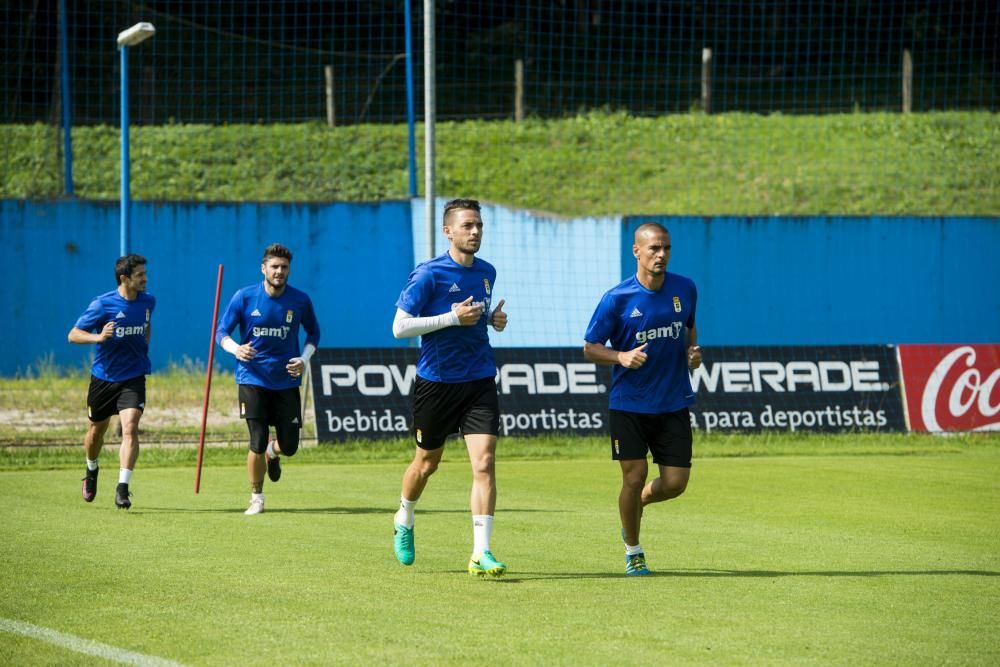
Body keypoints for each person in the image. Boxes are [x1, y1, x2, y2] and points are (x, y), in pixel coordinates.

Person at [391, 198, 510, 577]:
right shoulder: (428, 274)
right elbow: (399, 328)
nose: (475, 232)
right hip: (437, 384)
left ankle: (481, 551)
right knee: (427, 463)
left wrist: (492, 319)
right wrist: (451, 318)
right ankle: (405, 516)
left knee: (485, 462)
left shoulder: (487, 271)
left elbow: (475, 319)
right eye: (467, 226)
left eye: (478, 225)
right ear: (448, 231)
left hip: (479, 379)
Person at [583, 222, 702, 576]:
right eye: (653, 249)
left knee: (676, 484)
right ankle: (633, 550)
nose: (661, 254)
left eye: (665, 248)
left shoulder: (686, 288)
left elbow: (690, 327)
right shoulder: (616, 299)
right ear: (637, 251)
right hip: (629, 405)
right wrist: (620, 357)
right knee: (633, 477)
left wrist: (693, 353)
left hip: (673, 402)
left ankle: (640, 503)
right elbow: (590, 347)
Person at [215, 243, 320, 515]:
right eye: (274, 266)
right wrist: (236, 349)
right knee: (257, 440)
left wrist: (304, 359)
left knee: (290, 446)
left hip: (286, 380)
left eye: (284, 267)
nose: (279, 271)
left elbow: (313, 334)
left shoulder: (300, 300)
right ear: (263, 268)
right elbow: (221, 332)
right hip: (252, 378)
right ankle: (257, 497)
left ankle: (274, 454)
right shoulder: (244, 297)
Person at [68, 254, 155, 510]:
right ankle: (91, 469)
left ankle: (122, 488)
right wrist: (98, 338)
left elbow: (147, 325)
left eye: (145, 273)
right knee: (96, 432)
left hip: (134, 376)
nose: (145, 278)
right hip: (104, 379)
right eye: (140, 274)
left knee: (130, 428)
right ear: (124, 278)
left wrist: (143, 348)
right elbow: (73, 335)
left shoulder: (149, 301)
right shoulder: (102, 304)